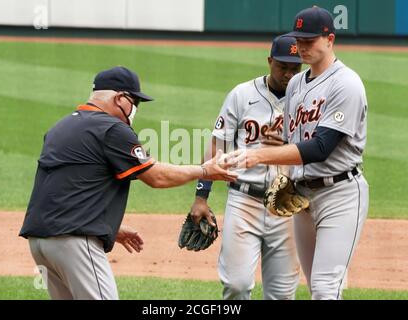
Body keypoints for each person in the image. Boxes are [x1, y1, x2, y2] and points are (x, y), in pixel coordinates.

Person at [19, 66, 237, 300]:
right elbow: (156, 176)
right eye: (135, 102)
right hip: (74, 242)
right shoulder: (112, 129)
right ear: (120, 98)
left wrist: (108, 227)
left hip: (40, 240)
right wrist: (205, 169)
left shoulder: (60, 127)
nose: (135, 110)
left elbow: (60, 186)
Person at [228, 6, 369, 300]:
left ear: (330, 39)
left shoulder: (346, 83)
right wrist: (286, 172)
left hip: (339, 194)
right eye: (299, 40)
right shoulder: (295, 84)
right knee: (319, 287)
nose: (302, 47)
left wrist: (258, 156)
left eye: (310, 41)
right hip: (303, 199)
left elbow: (320, 148)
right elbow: (294, 140)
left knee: (324, 288)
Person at [190, 36, 302, 300]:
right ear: (270, 61)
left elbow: (321, 149)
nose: (288, 74)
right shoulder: (242, 95)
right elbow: (217, 146)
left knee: (283, 295)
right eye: (282, 66)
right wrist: (200, 197)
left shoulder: (307, 101)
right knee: (236, 286)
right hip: (244, 201)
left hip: (288, 204)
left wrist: (288, 145)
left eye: (294, 69)